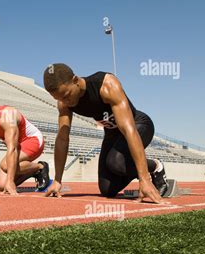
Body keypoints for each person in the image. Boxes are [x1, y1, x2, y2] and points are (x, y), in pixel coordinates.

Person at [43, 63, 168, 204]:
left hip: (138, 125)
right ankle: (141, 166)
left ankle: (155, 167)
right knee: (107, 189)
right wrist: (57, 180)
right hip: (111, 134)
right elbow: (62, 138)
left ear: (75, 81)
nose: (64, 102)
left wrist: (143, 178)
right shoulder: (63, 103)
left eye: (66, 95)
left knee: (116, 162)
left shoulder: (106, 84)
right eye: (59, 99)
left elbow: (128, 129)